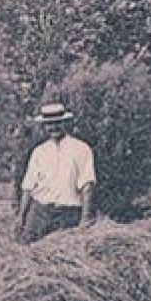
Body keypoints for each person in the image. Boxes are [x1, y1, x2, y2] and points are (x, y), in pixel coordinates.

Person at [16, 102, 96, 243]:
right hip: (40, 212)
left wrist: (85, 219)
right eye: (49, 124)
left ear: (65, 123)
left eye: (57, 123)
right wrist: (21, 216)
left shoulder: (81, 149)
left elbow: (87, 186)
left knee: (63, 255)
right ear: (44, 126)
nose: (53, 127)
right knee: (27, 253)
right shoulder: (39, 152)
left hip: (68, 214)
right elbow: (28, 187)